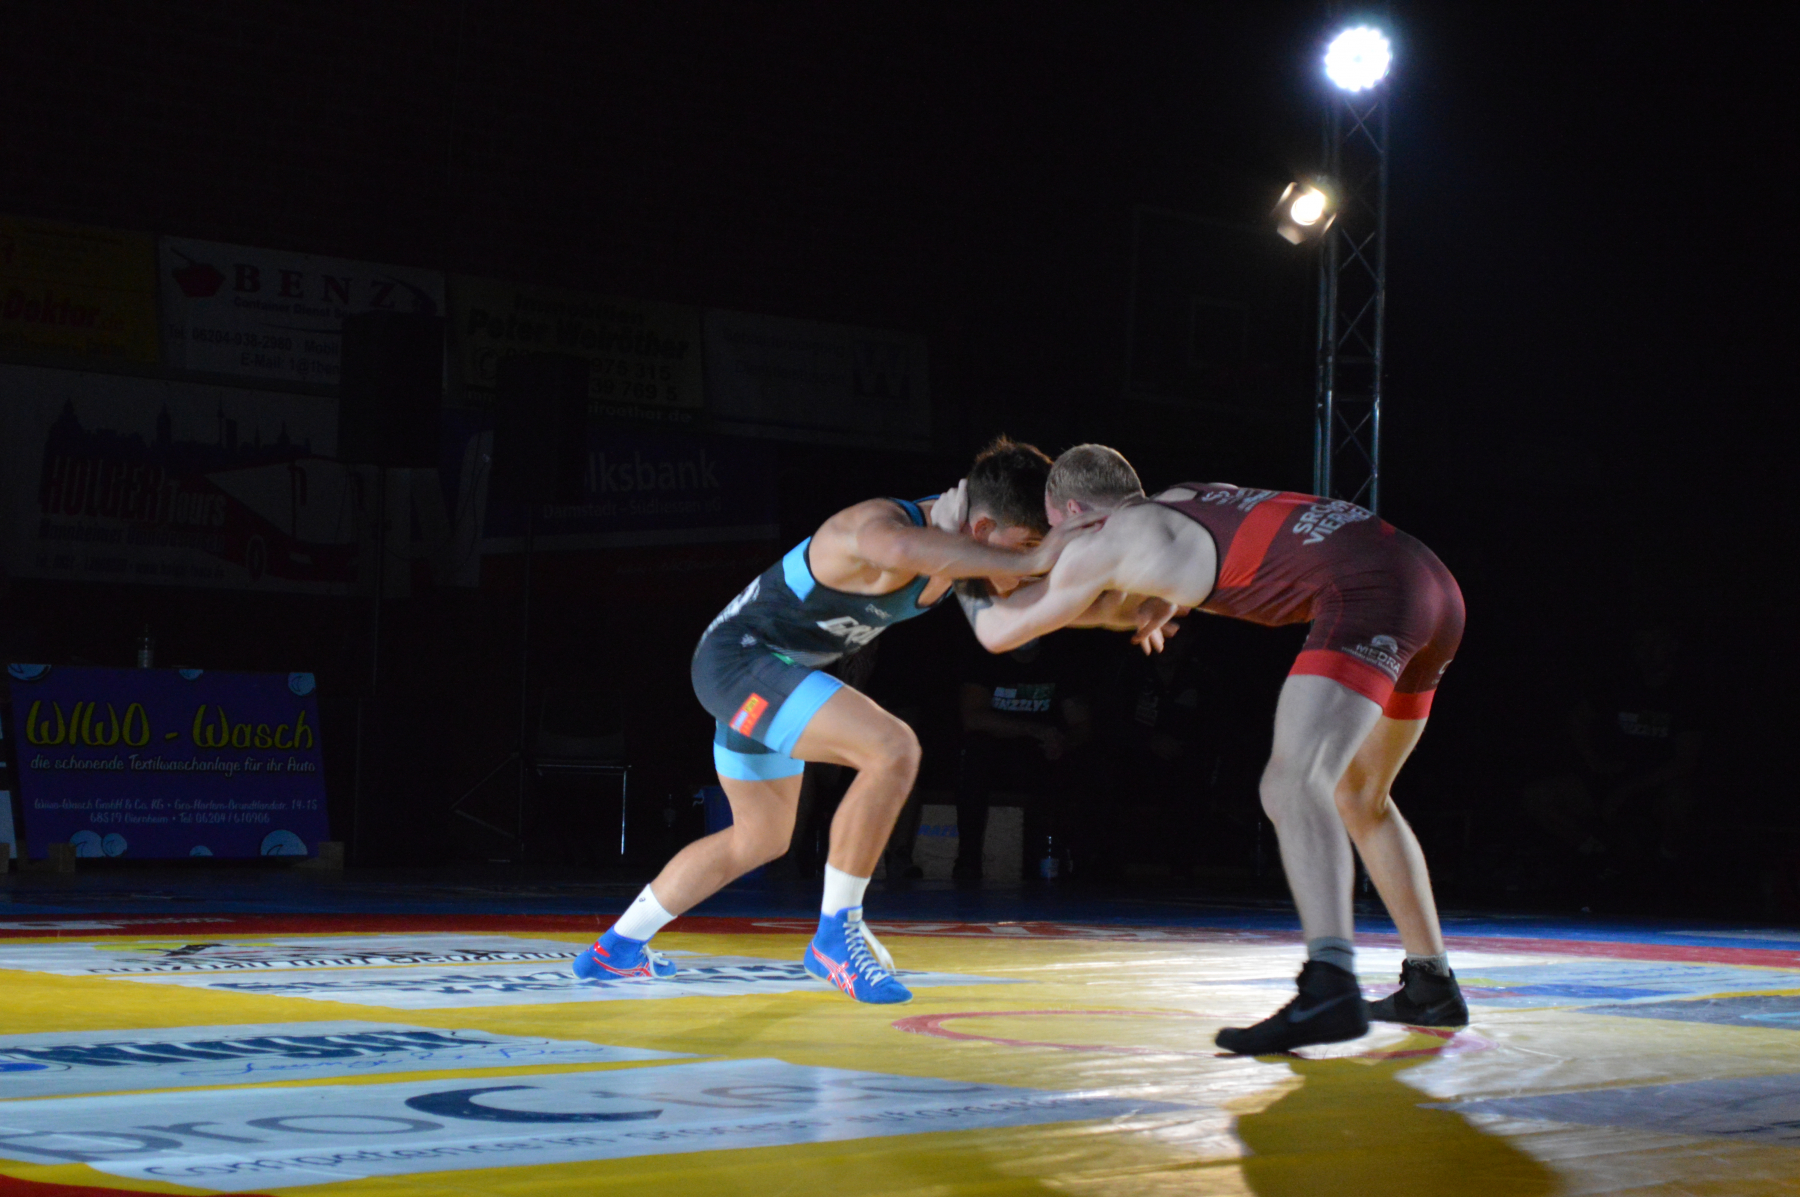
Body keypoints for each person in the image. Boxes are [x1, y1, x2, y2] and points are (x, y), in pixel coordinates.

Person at [951, 444, 1469, 1052]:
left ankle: (1330, 984)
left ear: (1073, 512)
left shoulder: (1107, 538)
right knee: (1361, 796)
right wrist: (1141, 606)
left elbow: (1000, 630)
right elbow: (1126, 598)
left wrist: (955, 555)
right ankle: (1430, 983)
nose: (1056, 547)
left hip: (1372, 595)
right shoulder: (1187, 499)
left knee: (1292, 783)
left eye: (1053, 530)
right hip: (1432, 585)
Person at [575, 438, 1068, 1005]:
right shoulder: (880, 524)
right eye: (1026, 547)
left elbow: (1026, 611)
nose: (1030, 565)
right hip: (740, 664)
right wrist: (1031, 562)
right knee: (893, 748)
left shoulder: (965, 551)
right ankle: (836, 935)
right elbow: (899, 546)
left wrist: (1137, 600)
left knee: (760, 838)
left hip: (762, 676)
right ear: (981, 529)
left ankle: (616, 948)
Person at [952, 632, 1098, 882]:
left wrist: (1063, 742)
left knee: (1087, 766)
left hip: (1042, 751)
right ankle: (968, 860)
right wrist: (1033, 729)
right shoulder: (985, 656)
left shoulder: (1060, 661)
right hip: (995, 751)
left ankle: (1072, 863)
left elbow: (1082, 724)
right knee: (974, 757)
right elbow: (973, 718)